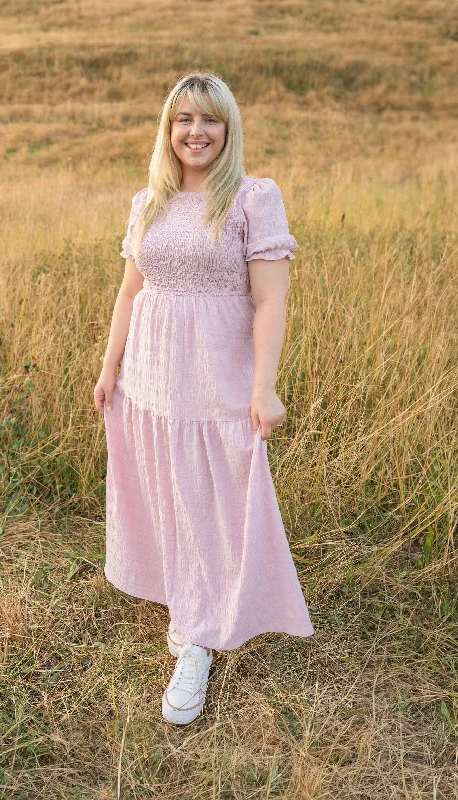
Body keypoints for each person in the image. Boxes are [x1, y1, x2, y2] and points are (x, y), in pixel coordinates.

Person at [94, 72, 314, 726]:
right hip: (150, 378)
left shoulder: (251, 198)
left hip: (215, 378)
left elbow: (270, 298)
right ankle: (189, 608)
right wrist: (109, 369)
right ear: (168, 128)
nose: (195, 131)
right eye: (183, 119)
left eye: (209, 120)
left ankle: (197, 639)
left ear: (228, 129)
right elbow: (130, 291)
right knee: (166, 489)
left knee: (215, 494)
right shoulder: (148, 201)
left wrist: (263, 386)